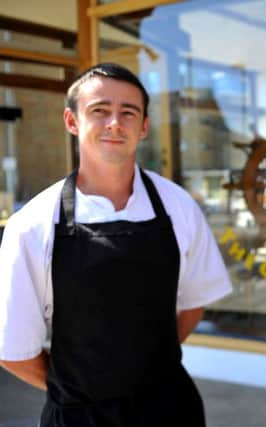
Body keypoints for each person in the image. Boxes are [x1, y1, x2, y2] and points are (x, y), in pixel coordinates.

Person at [0, 63, 232, 426]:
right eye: (99, 111)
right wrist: (78, 393)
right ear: (72, 121)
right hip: (81, 418)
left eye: (128, 112)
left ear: (143, 127)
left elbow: (193, 304)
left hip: (171, 409)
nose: (114, 123)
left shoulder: (177, 205)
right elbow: (14, 353)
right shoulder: (32, 225)